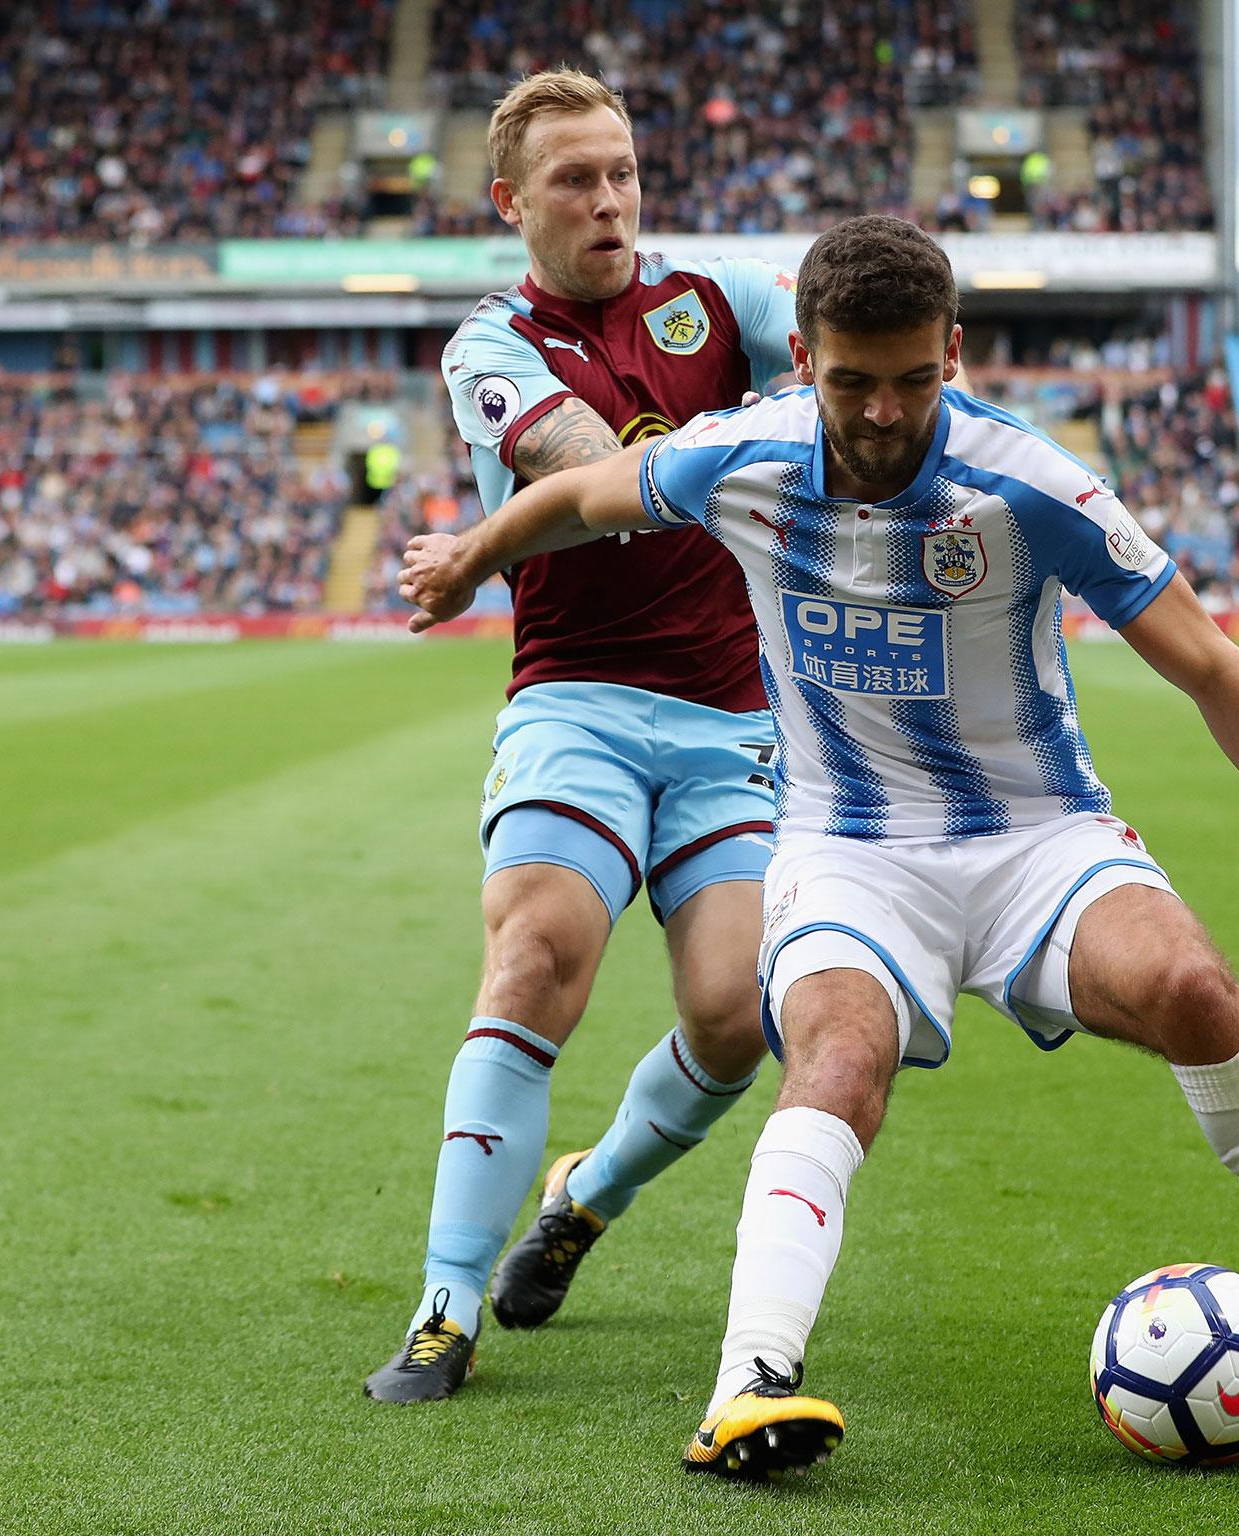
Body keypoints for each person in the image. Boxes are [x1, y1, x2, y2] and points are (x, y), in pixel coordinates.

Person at [401, 216, 1239, 1475]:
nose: (881, 413)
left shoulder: (1029, 483)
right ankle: (748, 1385)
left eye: (909, 379)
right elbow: (575, 493)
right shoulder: (745, 454)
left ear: (952, 350)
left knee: (1197, 992)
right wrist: (468, 557)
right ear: (804, 361)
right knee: (832, 1054)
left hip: (1037, 835)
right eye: (849, 381)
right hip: (850, 848)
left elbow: (1209, 664)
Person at [364, 68, 807, 1404]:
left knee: (736, 1019)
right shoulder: (491, 343)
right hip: (577, 701)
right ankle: (445, 1308)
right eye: (575, 178)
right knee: (539, 953)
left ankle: (586, 1197)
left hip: (735, 716)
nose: (608, 197)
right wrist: (765, 430)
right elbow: (594, 469)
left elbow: (840, 365)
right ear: (512, 202)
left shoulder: (726, 297)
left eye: (620, 170)